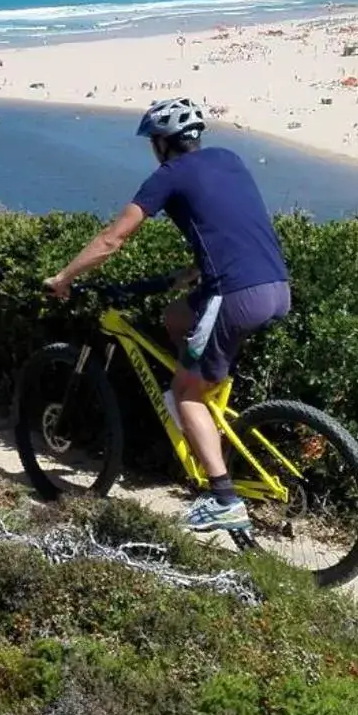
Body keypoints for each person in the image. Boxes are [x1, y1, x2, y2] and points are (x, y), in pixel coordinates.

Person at [44, 98, 291, 534]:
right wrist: (190, 272)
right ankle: (202, 404)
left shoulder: (168, 176)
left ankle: (223, 498)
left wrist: (64, 276)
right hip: (275, 286)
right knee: (176, 317)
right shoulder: (229, 159)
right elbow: (229, 223)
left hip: (233, 295)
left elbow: (111, 240)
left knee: (184, 394)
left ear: (161, 143)